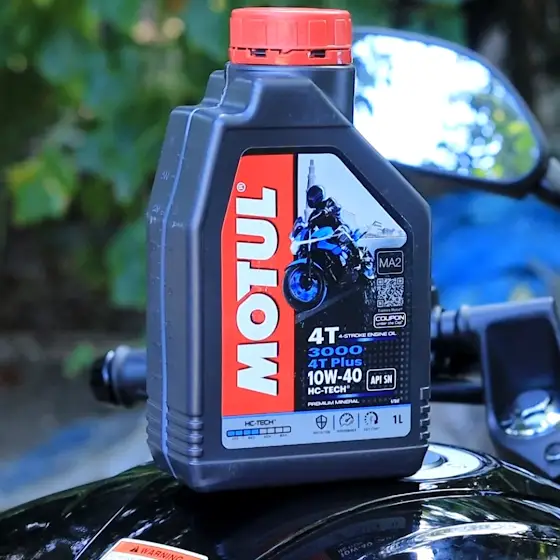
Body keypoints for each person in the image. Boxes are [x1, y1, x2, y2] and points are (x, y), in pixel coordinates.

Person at [305, 184, 374, 279]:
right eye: (310, 197)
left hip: (338, 228)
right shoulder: (313, 215)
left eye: (313, 195)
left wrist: (330, 210)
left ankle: (359, 259)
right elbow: (309, 227)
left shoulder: (329, 202)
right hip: (327, 235)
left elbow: (337, 208)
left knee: (341, 235)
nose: (312, 198)